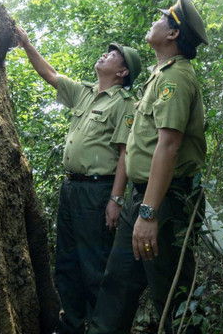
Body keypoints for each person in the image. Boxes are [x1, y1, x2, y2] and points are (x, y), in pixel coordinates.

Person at [88, 0, 209, 334]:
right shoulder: (161, 74)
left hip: (164, 203)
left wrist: (149, 213)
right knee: (117, 286)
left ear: (173, 34)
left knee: (172, 295)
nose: (155, 21)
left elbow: (168, 147)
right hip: (143, 199)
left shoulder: (176, 78)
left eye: (162, 18)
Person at [14, 27, 142, 334]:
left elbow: (125, 153)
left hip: (98, 192)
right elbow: (50, 74)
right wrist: (27, 44)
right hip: (70, 188)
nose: (105, 55)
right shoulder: (84, 92)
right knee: (67, 262)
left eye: (113, 55)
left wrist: (116, 199)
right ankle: (70, 325)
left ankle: (100, 327)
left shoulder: (124, 102)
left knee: (94, 265)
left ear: (122, 72)